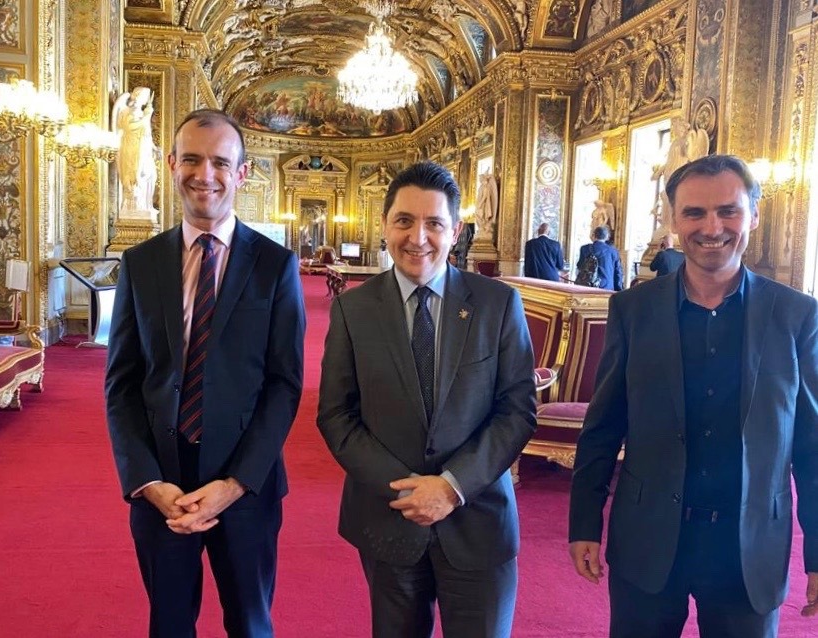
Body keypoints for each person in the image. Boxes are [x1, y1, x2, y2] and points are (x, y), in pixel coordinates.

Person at [568, 154, 818, 637]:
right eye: (694, 213)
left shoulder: (796, 316)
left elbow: (811, 446)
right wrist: (583, 523)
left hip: (747, 549)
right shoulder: (633, 310)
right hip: (648, 537)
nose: (712, 227)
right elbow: (603, 427)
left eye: (728, 211)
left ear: (754, 216)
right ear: (673, 220)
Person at [105, 109, 306, 638]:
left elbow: (284, 385)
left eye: (220, 162)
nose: (205, 174)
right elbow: (122, 384)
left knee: (250, 624)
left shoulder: (276, 265)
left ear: (241, 173)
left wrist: (235, 483)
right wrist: (147, 481)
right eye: (191, 159)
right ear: (171, 164)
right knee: (169, 624)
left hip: (246, 483)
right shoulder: (140, 263)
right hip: (161, 485)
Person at [317, 161, 536, 638]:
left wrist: (452, 486)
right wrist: (407, 490)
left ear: (454, 231)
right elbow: (336, 415)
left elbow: (516, 410)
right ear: (384, 225)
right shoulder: (353, 310)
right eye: (404, 221)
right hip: (388, 519)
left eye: (434, 223)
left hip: (478, 519)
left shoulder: (498, 305)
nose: (418, 238)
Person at [113, 87, 158, 215]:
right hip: (133, 146)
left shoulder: (141, 113)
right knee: (137, 175)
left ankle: (145, 205)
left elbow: (147, 133)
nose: (146, 100)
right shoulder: (129, 111)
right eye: (145, 97)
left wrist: (154, 147)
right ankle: (135, 205)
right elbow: (129, 127)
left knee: (152, 174)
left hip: (143, 146)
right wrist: (147, 116)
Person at [577, 226, 624, 290]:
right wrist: (618, 289)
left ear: (594, 235)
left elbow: (580, 266)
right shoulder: (613, 251)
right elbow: (618, 272)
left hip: (587, 285)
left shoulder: (584, 248)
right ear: (607, 237)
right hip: (606, 287)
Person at [475, 171, 498, 237]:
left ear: (483, 178)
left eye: (480, 178)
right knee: (478, 215)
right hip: (480, 204)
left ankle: (483, 228)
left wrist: (480, 204)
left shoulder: (485, 187)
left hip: (483, 205)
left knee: (480, 215)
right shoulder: (482, 186)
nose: (479, 180)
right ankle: (482, 229)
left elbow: (485, 197)